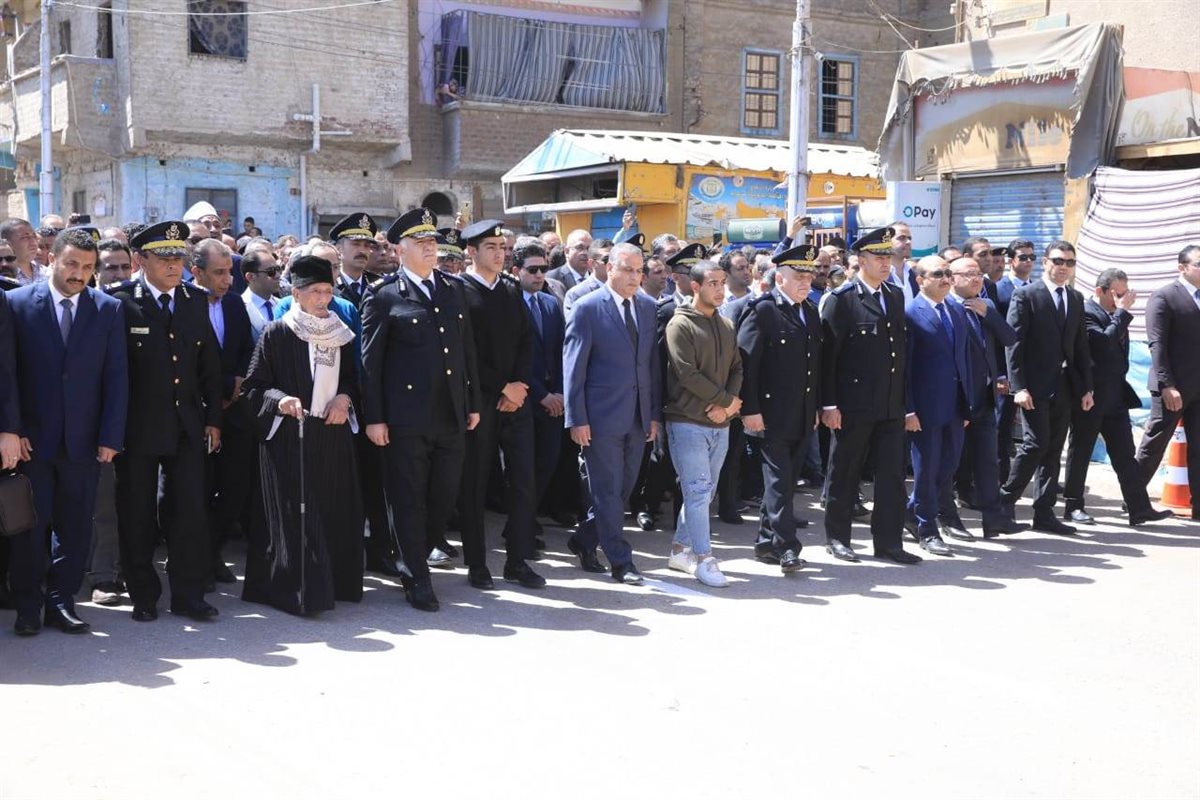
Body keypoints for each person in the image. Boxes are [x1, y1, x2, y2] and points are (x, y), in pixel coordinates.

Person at [6, 228, 127, 635]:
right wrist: (12, 429)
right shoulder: (17, 303)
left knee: (75, 528)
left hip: (85, 442)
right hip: (31, 443)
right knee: (28, 528)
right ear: (51, 259)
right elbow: (8, 373)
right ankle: (27, 606)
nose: (79, 274)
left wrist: (111, 436)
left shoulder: (108, 309)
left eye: (88, 267)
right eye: (72, 264)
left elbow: (116, 377)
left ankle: (61, 602)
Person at [361, 207, 481, 612]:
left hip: (450, 413)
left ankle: (416, 551)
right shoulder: (384, 295)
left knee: (443, 495)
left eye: (433, 242)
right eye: (422, 243)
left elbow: (466, 351)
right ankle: (415, 576)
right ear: (400, 249)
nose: (431, 249)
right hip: (406, 418)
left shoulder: (452, 288)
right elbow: (370, 364)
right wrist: (375, 417)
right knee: (408, 498)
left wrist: (471, 402)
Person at [106, 220, 224, 622]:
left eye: (178, 257)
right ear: (141, 260)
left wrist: (213, 419)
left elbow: (209, 366)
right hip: (137, 428)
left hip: (186, 425)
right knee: (137, 513)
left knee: (189, 511)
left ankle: (189, 595)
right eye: (164, 257)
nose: (174, 265)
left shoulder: (194, 300)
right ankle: (143, 594)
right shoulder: (121, 302)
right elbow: (112, 373)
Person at [239, 256, 363, 615]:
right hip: (290, 437)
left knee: (333, 508)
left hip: (331, 433)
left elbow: (352, 379)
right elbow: (254, 387)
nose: (323, 299)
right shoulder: (278, 332)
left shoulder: (340, 332)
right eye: (315, 292)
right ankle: (298, 592)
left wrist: (344, 399)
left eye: (327, 291)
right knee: (296, 513)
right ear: (296, 293)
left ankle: (334, 585)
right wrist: (280, 400)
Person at [820, 226, 920, 564]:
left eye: (887, 257)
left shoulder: (894, 295)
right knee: (845, 473)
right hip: (854, 405)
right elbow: (829, 358)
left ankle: (888, 542)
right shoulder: (843, 299)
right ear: (861, 261)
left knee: (891, 477)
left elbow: (900, 354)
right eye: (878, 258)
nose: (885, 263)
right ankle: (838, 538)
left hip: (890, 404)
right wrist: (830, 404)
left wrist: (906, 404)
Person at [454, 220, 546, 588]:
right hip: (480, 402)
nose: (499, 253)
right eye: (490, 247)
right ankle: (477, 563)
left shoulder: (510, 290)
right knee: (475, 482)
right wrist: (502, 387)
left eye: (502, 247)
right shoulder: (458, 291)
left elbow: (526, 341)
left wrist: (519, 385)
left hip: (516, 401)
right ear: (471, 252)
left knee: (523, 480)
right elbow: (466, 353)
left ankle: (517, 560)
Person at [563, 242, 661, 584]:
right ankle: (621, 561)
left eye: (639, 271)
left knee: (621, 491)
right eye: (628, 270)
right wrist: (576, 418)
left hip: (637, 416)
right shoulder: (587, 308)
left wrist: (653, 414)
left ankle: (584, 538)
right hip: (600, 418)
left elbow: (651, 364)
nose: (635, 277)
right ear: (610, 269)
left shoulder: (647, 307)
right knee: (607, 491)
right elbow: (573, 368)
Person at [1061, 269, 1173, 527]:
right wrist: (1122, 312)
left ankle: (1139, 507)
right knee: (1081, 451)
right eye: (1117, 294)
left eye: (1125, 294)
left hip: (1115, 397)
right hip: (1090, 395)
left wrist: (1119, 313)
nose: (1122, 300)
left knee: (1125, 455)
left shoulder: (1115, 315)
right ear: (1099, 291)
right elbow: (1102, 344)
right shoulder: (1086, 312)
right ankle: (1073, 505)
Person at [1000, 241, 1094, 534]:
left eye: (1069, 262)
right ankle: (1004, 501)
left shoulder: (1075, 298)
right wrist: (1019, 387)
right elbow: (1014, 343)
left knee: (1053, 449)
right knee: (1035, 445)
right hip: (1033, 386)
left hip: (1064, 386)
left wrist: (1086, 388)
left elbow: (1080, 346)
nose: (1063, 267)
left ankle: (1044, 513)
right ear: (1045, 262)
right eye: (1058, 261)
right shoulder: (1027, 295)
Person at [738, 247, 821, 573]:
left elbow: (814, 366)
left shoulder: (809, 311)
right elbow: (747, 365)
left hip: (802, 413)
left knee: (784, 483)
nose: (806, 283)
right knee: (778, 482)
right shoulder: (763, 310)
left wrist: (815, 408)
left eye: (809, 277)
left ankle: (765, 543)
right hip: (771, 413)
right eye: (799, 277)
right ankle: (787, 547)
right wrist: (750, 409)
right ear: (780, 278)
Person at [663, 258, 742, 587]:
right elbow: (687, 374)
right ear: (694, 286)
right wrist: (725, 401)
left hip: (720, 423)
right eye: (712, 283)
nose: (720, 289)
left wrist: (728, 406)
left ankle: (679, 550)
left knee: (704, 494)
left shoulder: (726, 324)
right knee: (697, 491)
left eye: (722, 282)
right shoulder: (679, 325)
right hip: (686, 422)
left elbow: (737, 367)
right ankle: (704, 558)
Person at [944, 256, 1024, 538]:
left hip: (984, 398)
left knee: (988, 462)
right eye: (969, 274)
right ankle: (945, 516)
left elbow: (1009, 338)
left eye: (978, 273)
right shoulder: (946, 306)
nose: (976, 278)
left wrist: (988, 314)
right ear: (952, 278)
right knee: (949, 462)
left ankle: (994, 519)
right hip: (956, 399)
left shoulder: (984, 304)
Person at [191, 239, 255, 585]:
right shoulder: (185, 304)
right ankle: (195, 558)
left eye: (230, 272)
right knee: (198, 490)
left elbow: (246, 349)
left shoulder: (233, 303)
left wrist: (237, 384)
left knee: (235, 486)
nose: (228, 280)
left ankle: (213, 551)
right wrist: (220, 391)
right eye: (219, 273)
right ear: (197, 272)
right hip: (199, 412)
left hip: (234, 411)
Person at [902, 256, 972, 557]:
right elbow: (905, 369)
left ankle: (910, 511)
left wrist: (966, 404)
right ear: (920, 280)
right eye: (938, 274)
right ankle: (927, 529)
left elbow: (963, 359)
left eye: (948, 273)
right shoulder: (910, 313)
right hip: (924, 409)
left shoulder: (955, 309)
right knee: (926, 470)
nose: (946, 279)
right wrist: (909, 410)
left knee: (948, 467)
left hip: (954, 406)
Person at [1135, 245, 1200, 522]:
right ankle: (1134, 499)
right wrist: (1166, 385)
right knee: (1155, 443)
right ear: (1182, 267)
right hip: (1173, 386)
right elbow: (1157, 344)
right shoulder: (1165, 296)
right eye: (1199, 264)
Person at [513, 240, 566, 540]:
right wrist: (541, 394)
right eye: (532, 270)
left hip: (553, 398)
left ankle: (529, 517)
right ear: (516, 271)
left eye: (543, 269)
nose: (539, 275)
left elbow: (560, 352)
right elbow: (512, 358)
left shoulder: (550, 303)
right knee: (524, 468)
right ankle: (521, 527)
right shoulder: (510, 303)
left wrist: (558, 392)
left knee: (547, 462)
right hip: (523, 398)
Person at [330, 213, 380, 307]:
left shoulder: (379, 284)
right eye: (356, 244)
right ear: (339, 249)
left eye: (367, 245)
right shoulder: (329, 284)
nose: (362, 251)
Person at [242, 249, 281, 343]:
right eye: (271, 271)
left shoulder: (283, 305)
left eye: (278, 269)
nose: (278, 275)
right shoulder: (239, 308)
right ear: (250, 277)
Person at [0, 219, 43, 286]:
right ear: (7, 242)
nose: (33, 243)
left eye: (34, 237)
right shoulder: (5, 274)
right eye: (25, 237)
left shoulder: (47, 273)